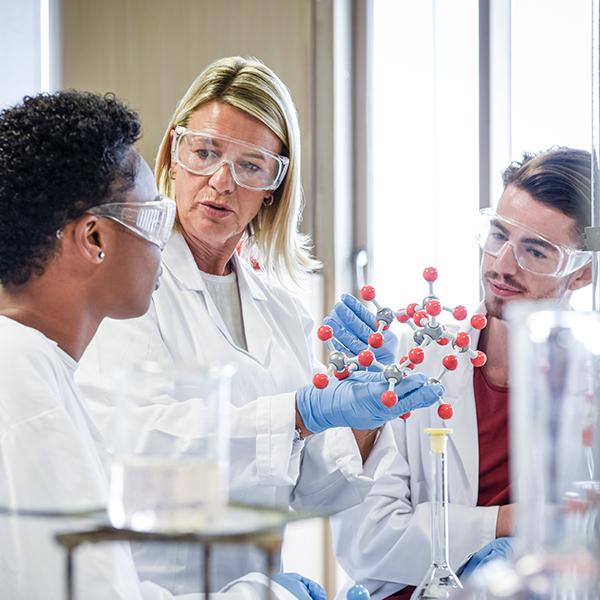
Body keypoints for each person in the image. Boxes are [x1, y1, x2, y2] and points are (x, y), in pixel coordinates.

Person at [76, 55, 444, 595]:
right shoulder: (126, 286)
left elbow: (315, 488)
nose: (221, 182)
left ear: (274, 186)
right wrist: (298, 414)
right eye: (204, 152)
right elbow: (138, 449)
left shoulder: (281, 308)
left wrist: (369, 409)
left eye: (252, 166)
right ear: (173, 158)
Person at [0, 90, 324, 600]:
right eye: (152, 217)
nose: (164, 236)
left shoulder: (32, 365)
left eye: (250, 165)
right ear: (94, 239)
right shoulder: (26, 390)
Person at [327, 147, 593, 599]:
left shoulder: (590, 392)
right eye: (498, 236)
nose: (502, 266)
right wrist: (510, 521)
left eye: (536, 251)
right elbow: (365, 543)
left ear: (582, 271)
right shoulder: (418, 362)